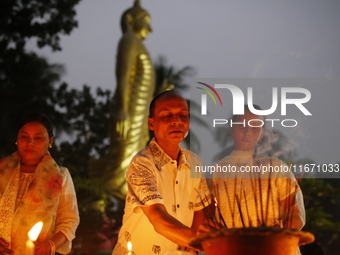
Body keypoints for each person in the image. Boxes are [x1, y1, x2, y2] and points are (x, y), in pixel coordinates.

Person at [112, 91, 210, 255]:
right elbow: (159, 219)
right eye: (167, 115)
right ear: (151, 123)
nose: (176, 121)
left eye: (183, 115)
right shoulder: (142, 163)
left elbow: (200, 211)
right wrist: (206, 242)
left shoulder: (195, 162)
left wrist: (192, 247)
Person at [210, 105, 305, 230]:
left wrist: (267, 237)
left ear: (261, 134)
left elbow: (297, 218)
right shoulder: (216, 171)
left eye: (255, 128)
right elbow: (208, 219)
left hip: (276, 248)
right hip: (233, 248)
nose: (247, 132)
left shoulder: (275, 168)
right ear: (231, 128)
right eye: (242, 126)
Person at [0, 113, 79, 255]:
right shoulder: (1, 171)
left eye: (38, 138)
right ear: (17, 139)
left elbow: (69, 220)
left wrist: (50, 246)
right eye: (24, 137)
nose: (30, 143)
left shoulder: (60, 176)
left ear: (50, 141)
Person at [105, 0, 156, 198]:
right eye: (146, 21)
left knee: (135, 155)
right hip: (129, 110)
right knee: (122, 156)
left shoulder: (137, 44)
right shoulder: (129, 39)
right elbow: (123, 76)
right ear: (130, 20)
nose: (150, 29)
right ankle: (108, 196)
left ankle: (125, 195)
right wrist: (122, 109)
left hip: (139, 114)